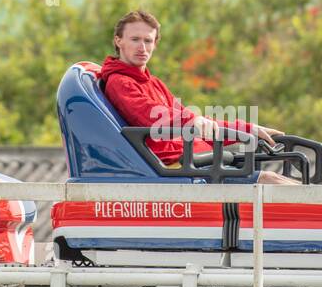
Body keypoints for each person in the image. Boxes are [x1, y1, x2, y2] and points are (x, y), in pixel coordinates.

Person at [99, 10, 297, 184]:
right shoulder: (120, 82)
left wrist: (249, 129)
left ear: (155, 44)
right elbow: (151, 117)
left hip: (198, 159)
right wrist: (194, 120)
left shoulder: (154, 83)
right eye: (135, 39)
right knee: (272, 181)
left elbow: (195, 122)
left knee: (279, 179)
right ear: (119, 41)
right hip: (178, 168)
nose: (142, 47)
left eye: (148, 40)